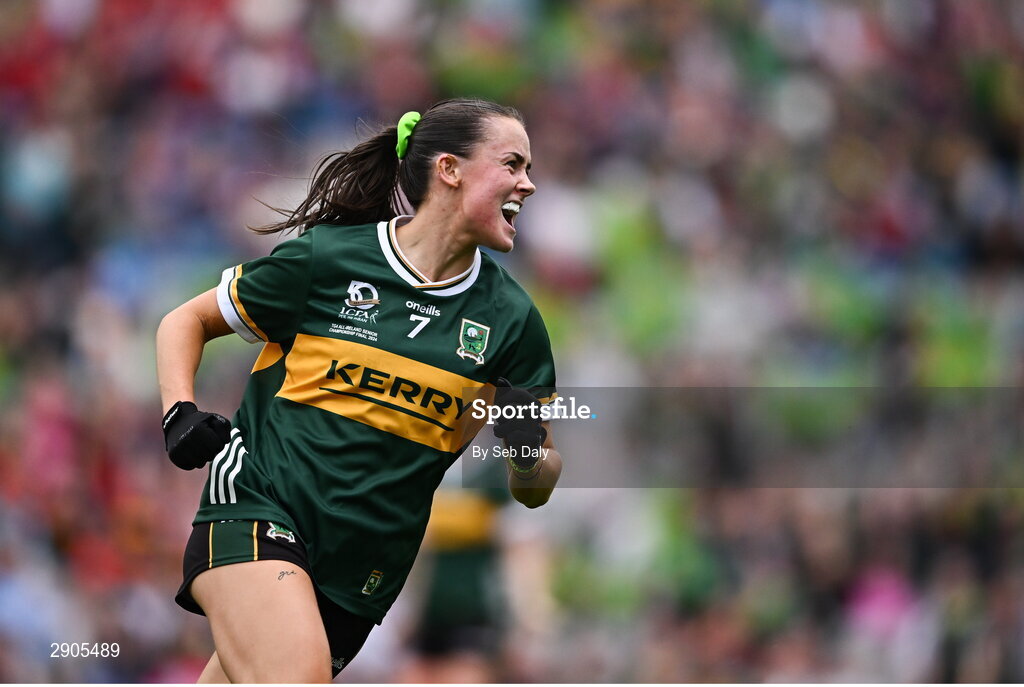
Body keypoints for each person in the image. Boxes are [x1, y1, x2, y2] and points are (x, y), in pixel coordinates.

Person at [155, 98, 562, 683]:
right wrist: (179, 412)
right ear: (449, 169)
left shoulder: (515, 324)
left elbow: (535, 487)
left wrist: (526, 454)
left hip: (362, 576)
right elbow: (184, 322)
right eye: (513, 164)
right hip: (258, 512)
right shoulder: (331, 259)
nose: (528, 183)